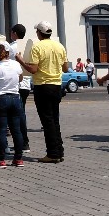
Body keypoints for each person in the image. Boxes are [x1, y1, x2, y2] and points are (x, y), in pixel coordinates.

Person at [16, 21, 68, 163]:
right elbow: (65, 68)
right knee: (54, 119)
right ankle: (59, 150)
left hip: (43, 85)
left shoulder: (37, 47)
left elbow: (33, 69)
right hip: (57, 85)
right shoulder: (59, 46)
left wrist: (21, 60)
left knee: (47, 121)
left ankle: (52, 153)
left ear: (39, 33)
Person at [0, 42, 25, 168]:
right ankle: (18, 158)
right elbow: (20, 78)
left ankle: (1, 159)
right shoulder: (15, 64)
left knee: (1, 130)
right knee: (16, 130)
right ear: (8, 53)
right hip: (15, 97)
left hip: (0, 99)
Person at [8, 24, 31, 152]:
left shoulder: (12, 47)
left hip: (16, 83)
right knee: (21, 112)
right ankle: (23, 142)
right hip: (26, 83)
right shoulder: (28, 45)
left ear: (15, 33)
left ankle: (23, 142)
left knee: (17, 115)